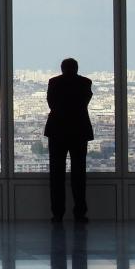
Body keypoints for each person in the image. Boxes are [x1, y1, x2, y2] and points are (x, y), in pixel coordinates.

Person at [44, 57, 93, 223]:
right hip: (79, 130)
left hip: (57, 130)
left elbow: (51, 103)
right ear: (77, 68)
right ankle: (80, 212)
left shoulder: (54, 82)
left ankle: (57, 213)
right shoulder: (86, 83)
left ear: (62, 68)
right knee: (79, 173)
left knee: (56, 173)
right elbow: (84, 103)